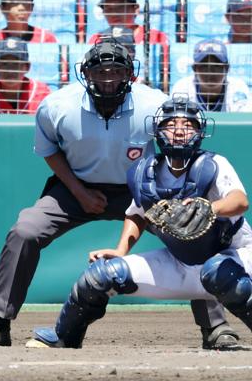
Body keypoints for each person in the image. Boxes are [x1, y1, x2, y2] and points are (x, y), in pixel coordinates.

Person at [0, 38, 237, 350]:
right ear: (86, 74)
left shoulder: (154, 103)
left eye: (117, 72)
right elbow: (49, 149)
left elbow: (178, 144)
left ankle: (215, 326)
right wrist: (78, 191)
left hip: (143, 187)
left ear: (130, 74)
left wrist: (171, 195)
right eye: (100, 72)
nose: (109, 79)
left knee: (191, 232)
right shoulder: (57, 106)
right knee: (25, 231)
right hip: (76, 185)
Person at [30, 96, 250, 350]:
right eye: (171, 124)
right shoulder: (145, 172)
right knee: (102, 275)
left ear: (200, 132)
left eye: (188, 125)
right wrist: (121, 250)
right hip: (182, 264)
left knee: (218, 272)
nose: (179, 131)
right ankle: (64, 337)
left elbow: (240, 200)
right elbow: (137, 214)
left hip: (235, 255)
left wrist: (210, 207)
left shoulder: (212, 164)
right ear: (157, 131)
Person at [171, 38, 252, 112]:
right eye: (204, 66)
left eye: (217, 65)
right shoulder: (183, 88)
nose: (211, 71)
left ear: (227, 68)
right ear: (194, 69)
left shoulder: (237, 88)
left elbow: (244, 121)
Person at [88, 0, 169, 46]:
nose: (114, 13)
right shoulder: (97, 39)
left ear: (135, 9)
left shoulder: (156, 37)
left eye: (120, 7)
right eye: (109, 9)